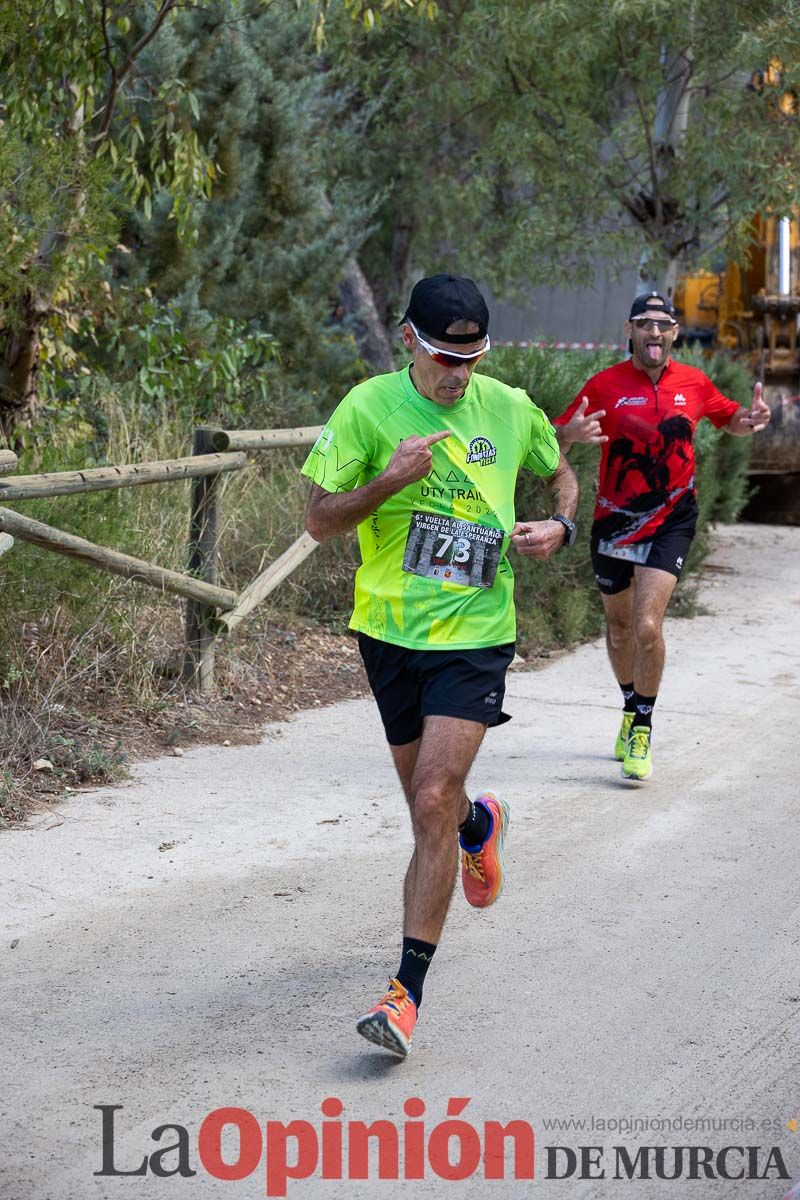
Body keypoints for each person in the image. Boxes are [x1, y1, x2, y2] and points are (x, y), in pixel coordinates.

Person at [301, 274, 579, 1057]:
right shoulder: (367, 408)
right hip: (388, 632)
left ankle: (403, 998)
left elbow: (562, 471)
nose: (459, 376)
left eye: (473, 359)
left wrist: (560, 522)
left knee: (429, 798)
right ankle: (479, 824)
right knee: (437, 808)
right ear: (410, 343)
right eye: (444, 360)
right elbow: (319, 521)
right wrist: (389, 480)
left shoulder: (509, 407)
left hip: (477, 630)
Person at [553, 291, 771, 783]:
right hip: (614, 519)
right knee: (618, 628)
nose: (655, 332)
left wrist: (750, 420)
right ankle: (630, 705)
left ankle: (643, 726)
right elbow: (555, 431)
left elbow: (728, 417)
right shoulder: (605, 384)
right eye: (645, 323)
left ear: (675, 333)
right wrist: (571, 434)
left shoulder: (693, 383)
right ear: (629, 331)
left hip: (672, 518)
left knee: (647, 624)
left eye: (664, 324)